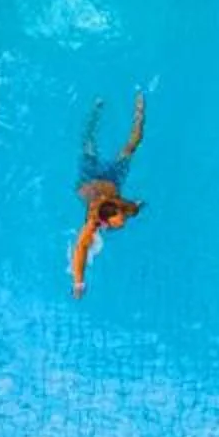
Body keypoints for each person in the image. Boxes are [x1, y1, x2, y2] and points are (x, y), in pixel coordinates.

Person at [70, 90, 148, 298]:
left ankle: (138, 112)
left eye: (120, 219)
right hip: (100, 181)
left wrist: (136, 208)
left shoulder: (120, 206)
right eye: (120, 220)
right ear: (105, 221)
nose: (122, 222)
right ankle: (96, 112)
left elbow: (130, 208)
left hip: (100, 179)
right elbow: (80, 251)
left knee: (131, 144)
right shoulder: (92, 224)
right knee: (91, 145)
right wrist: (78, 283)